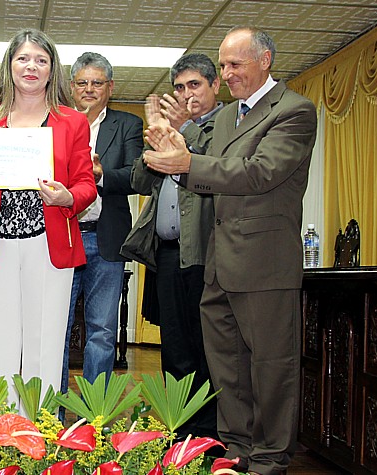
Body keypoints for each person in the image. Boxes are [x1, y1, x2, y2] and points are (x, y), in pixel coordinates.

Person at [141, 27, 318, 475]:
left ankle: (270, 456)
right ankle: (236, 449)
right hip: (218, 262)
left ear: (266, 60)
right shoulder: (224, 119)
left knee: (271, 367)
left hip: (265, 263)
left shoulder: (294, 111)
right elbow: (200, 168)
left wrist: (186, 162)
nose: (227, 73)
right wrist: (173, 150)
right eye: (223, 65)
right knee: (228, 366)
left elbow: (259, 173)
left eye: (235, 64)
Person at [0, 28, 96, 409]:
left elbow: (85, 185)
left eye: (41, 60)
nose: (32, 66)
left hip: (50, 244)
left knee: (45, 343)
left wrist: (68, 197)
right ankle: (0, 430)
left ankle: (39, 432)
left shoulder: (72, 122)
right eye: (23, 59)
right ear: (9, 66)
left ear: (52, 70)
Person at [121, 52, 223, 440]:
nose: (185, 95)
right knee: (174, 348)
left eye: (194, 85)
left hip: (204, 255)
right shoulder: (171, 127)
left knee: (204, 349)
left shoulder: (226, 126)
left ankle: (208, 436)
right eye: (178, 88)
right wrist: (157, 136)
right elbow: (139, 179)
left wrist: (183, 131)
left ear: (215, 86)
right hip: (166, 253)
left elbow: (218, 168)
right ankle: (179, 432)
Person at [61, 52, 141, 392]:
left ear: (110, 87)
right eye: (82, 83)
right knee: (56, 329)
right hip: (61, 237)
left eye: (97, 83)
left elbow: (138, 176)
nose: (89, 90)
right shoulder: (55, 122)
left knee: (102, 331)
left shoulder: (127, 125)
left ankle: (94, 412)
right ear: (71, 87)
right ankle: (53, 408)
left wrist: (101, 173)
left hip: (105, 239)